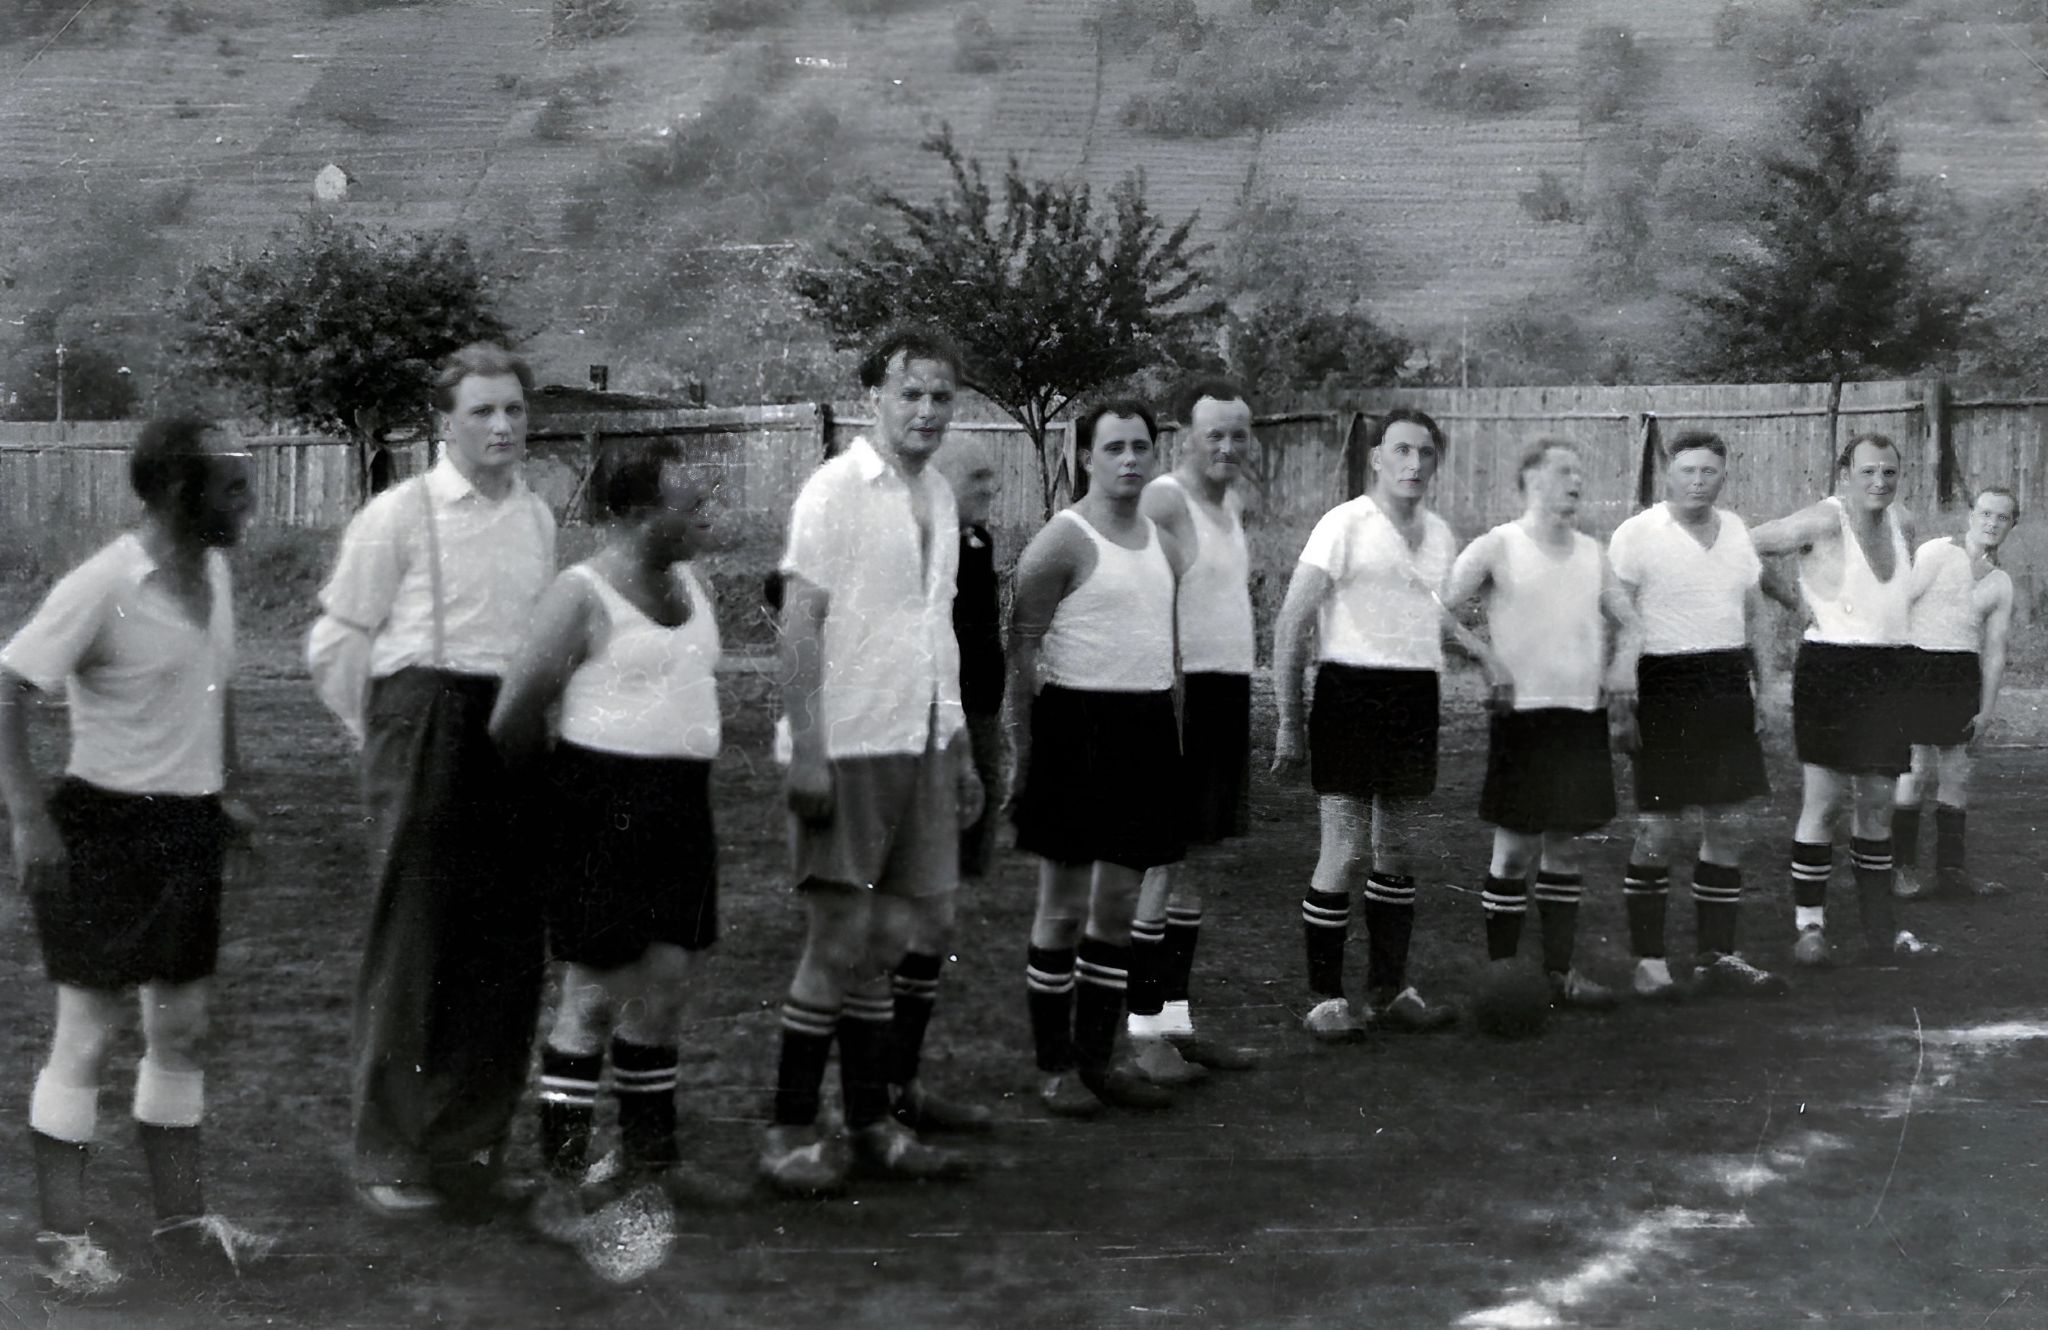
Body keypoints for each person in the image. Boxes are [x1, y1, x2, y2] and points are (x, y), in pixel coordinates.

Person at [0, 418, 270, 1295]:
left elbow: (212, 682)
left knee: (181, 1029)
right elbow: (9, 683)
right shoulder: (105, 583)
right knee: (89, 1033)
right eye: (230, 487)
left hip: (185, 832)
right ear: (176, 494)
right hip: (102, 832)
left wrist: (221, 784)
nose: (247, 501)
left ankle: (185, 1225)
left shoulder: (216, 573)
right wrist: (29, 819)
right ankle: (61, 1241)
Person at [306, 343, 557, 1219]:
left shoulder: (535, 516)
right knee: (417, 943)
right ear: (442, 425)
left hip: (514, 726)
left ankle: (468, 1144)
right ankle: (390, 1151)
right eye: (482, 411)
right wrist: (383, 740)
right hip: (425, 722)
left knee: (506, 946)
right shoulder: (400, 515)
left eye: (514, 411)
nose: (501, 426)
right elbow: (337, 645)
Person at [487, 446, 750, 1224]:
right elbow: (511, 720)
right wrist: (564, 808)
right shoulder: (581, 594)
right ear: (637, 513)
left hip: (681, 807)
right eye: (689, 506)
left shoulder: (692, 586)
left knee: (666, 987)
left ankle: (650, 1162)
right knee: (594, 999)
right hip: (600, 808)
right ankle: (562, 1183)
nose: (705, 516)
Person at [762, 326, 984, 1197]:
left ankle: (870, 1125)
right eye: (911, 394)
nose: (927, 411)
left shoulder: (935, 497)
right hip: (846, 748)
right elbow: (798, 626)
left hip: (918, 744)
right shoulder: (833, 493)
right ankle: (786, 1132)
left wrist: (957, 744)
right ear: (874, 400)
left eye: (941, 396)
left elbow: (937, 636)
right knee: (837, 940)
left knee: (891, 937)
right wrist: (808, 748)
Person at [1009, 399, 1190, 1115]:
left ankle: (1098, 1061)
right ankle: (1055, 1068)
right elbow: (1020, 650)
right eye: (1112, 447)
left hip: (1144, 729)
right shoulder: (1061, 542)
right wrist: (1023, 755)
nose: (1129, 460)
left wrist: (1173, 734)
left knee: (1115, 908)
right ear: (1083, 456)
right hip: (1074, 727)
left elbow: (1167, 653)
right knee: (1060, 909)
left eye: (1140, 446)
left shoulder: (1165, 544)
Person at [1271, 408, 1473, 1041]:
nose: (1414, 465)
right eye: (1402, 452)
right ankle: (1325, 1001)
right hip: (1349, 693)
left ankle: (1390, 992)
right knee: (1344, 848)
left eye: (1425, 454)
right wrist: (1287, 719)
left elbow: (1427, 612)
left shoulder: (1439, 534)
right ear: (1378, 459)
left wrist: (1488, 653)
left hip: (1413, 696)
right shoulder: (1344, 524)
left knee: (1400, 850)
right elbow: (1290, 623)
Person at [1443, 441, 1642, 1009]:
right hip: (1522, 719)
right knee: (1512, 852)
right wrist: (1484, 655)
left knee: (1565, 850)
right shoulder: (1497, 546)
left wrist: (1625, 661)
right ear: (1530, 480)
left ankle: (1560, 975)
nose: (1576, 482)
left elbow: (1630, 624)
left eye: (1580, 472)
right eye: (1563, 472)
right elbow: (1435, 612)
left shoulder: (1592, 552)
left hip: (1580, 716)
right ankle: (1502, 981)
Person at [1607, 432, 1788, 999]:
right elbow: (1614, 622)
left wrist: (1767, 687)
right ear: (1668, 473)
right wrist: (1619, 702)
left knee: (1727, 824)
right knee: (1658, 829)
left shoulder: (1735, 531)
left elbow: (1756, 614)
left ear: (1723, 476)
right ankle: (1650, 963)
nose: (1697, 481)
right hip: (1660, 684)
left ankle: (1717, 956)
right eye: (1687, 470)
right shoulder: (1636, 535)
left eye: (1709, 472)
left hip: (1726, 684)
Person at [1751, 434, 1938, 965]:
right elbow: (1743, 545)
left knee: (1878, 807)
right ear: (1845, 474)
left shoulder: (1904, 523)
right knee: (1825, 802)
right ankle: (1809, 927)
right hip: (1832, 670)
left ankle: (1880, 932)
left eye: (1889, 473)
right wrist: (1792, 599)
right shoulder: (1822, 520)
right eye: (1868, 472)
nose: (1879, 482)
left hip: (1890, 672)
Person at [1126, 377, 1262, 1083]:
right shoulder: (1163, 500)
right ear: (1186, 437)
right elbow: (1132, 592)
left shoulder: (1230, 503)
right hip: (1178, 694)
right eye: (1215, 433)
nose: (1229, 446)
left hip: (1227, 690)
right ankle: (1143, 1034)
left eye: (1239, 433)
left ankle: (1176, 1027)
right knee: (1160, 861)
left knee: (1193, 867)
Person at [1891, 485, 2018, 900]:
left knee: (1956, 774)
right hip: (1917, 665)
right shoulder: (1937, 552)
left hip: (1961, 673)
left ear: (2012, 525)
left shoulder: (2001, 583)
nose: (1992, 523)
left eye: (2002, 517)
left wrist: (1987, 710)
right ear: (1970, 516)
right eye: (1985, 514)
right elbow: (1898, 605)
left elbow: (1995, 652)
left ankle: (1951, 872)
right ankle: (1901, 870)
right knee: (1913, 772)